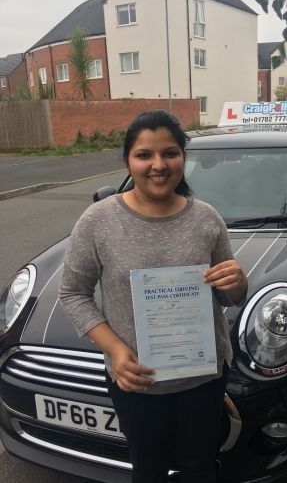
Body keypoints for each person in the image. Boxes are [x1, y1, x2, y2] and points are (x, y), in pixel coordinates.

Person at [59, 110, 248, 483]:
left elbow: (228, 297)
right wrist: (114, 350)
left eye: (170, 153)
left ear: (183, 157)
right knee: (149, 470)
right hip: (137, 380)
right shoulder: (98, 221)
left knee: (200, 466)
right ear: (128, 160)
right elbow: (73, 293)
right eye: (144, 155)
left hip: (203, 377)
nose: (158, 165)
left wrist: (238, 284)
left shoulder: (207, 219)